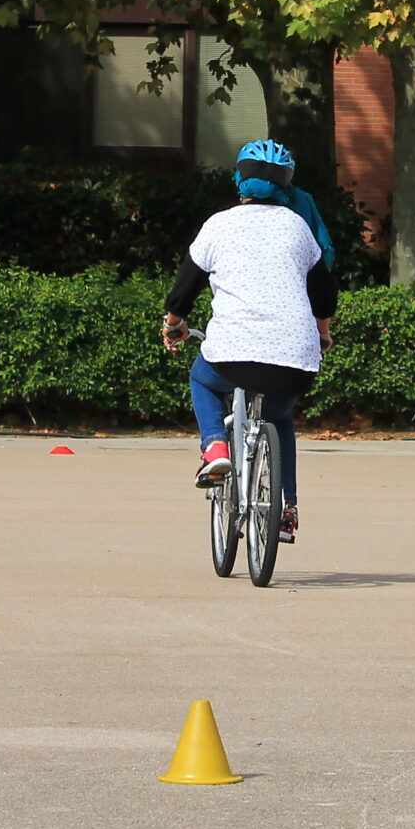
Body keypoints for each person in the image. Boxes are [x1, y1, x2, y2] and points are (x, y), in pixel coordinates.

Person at [160, 139, 337, 544]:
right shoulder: (298, 227)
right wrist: (322, 333)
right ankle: (286, 508)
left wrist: (174, 325)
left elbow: (184, 289)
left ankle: (216, 448)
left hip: (230, 353)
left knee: (202, 380)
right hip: (295, 358)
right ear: (286, 185)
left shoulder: (218, 224)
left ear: (239, 178)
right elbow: (324, 294)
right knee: (279, 417)